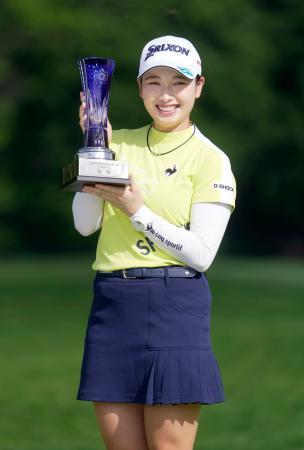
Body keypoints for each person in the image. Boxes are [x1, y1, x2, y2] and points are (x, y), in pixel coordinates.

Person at [72, 35, 236, 450]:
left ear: (198, 86)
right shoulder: (118, 142)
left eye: (178, 83)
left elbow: (201, 254)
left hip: (175, 305)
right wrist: (94, 148)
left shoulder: (211, 158)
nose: (166, 95)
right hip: (113, 305)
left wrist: (136, 210)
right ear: (140, 87)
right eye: (153, 82)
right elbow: (85, 225)